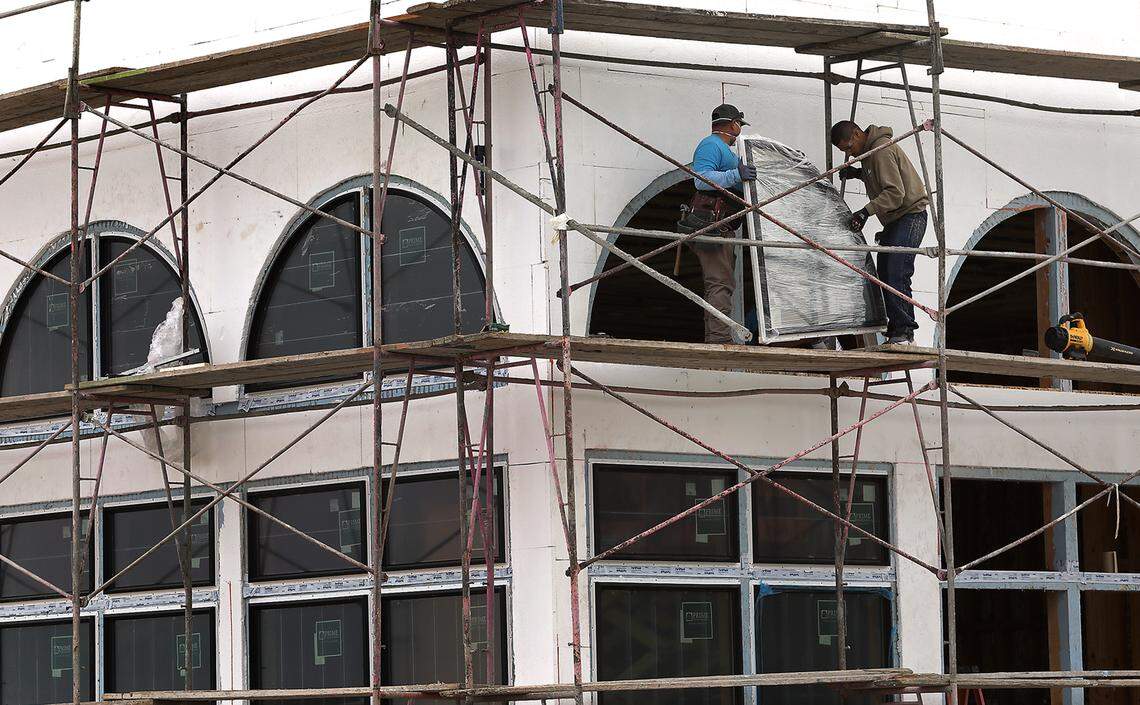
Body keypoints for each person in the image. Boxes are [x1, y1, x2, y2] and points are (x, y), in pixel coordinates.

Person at [830, 120, 929, 344]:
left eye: (848, 148)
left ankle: (905, 330)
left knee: (896, 271)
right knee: (884, 274)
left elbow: (895, 193)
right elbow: (880, 177)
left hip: (910, 215)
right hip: (897, 220)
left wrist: (865, 212)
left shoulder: (880, 150)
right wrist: (858, 174)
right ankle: (896, 328)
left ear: (857, 133)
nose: (849, 153)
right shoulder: (871, 153)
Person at [683, 103, 757, 344]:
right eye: (739, 125)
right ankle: (718, 340)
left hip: (720, 226)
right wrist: (736, 175)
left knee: (722, 282)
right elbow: (701, 180)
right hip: (711, 225)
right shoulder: (711, 145)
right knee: (720, 283)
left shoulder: (722, 148)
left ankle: (716, 337)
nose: (739, 131)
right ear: (733, 124)